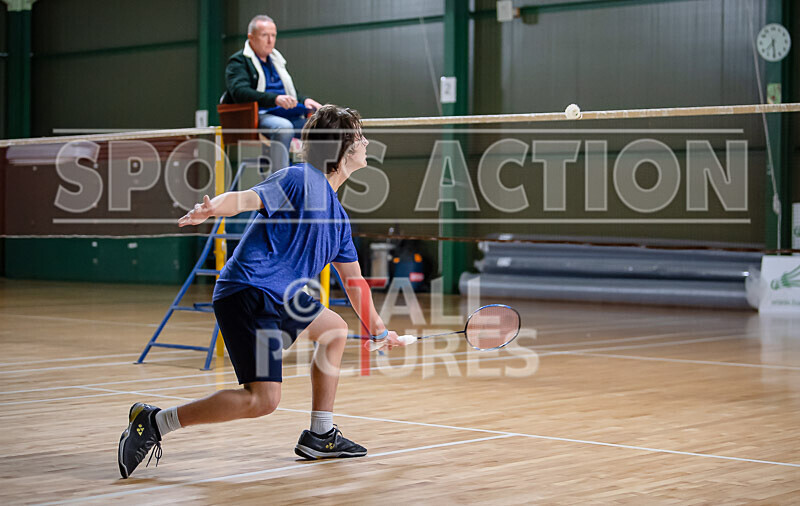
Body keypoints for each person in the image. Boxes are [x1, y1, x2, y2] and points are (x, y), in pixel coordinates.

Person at [117, 105, 402, 479]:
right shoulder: (301, 179)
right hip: (249, 291)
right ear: (343, 147)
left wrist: (379, 331)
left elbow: (354, 282)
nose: (366, 142)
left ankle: (321, 435)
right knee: (262, 400)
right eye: (359, 136)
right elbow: (247, 198)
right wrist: (211, 209)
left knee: (333, 329)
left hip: (280, 298)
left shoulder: (339, 218)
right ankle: (154, 422)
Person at [225, 14, 323, 170]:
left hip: (286, 112)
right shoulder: (239, 61)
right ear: (251, 37)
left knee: (321, 126)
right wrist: (275, 99)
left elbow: (289, 92)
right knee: (283, 127)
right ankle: (281, 181)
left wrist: (304, 100)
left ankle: (313, 177)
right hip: (259, 115)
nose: (270, 41)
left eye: (273, 35)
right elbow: (239, 92)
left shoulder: (277, 61)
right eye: (265, 35)